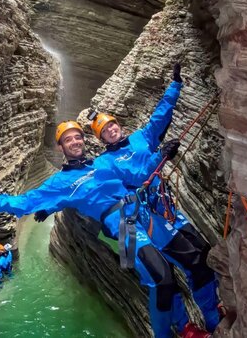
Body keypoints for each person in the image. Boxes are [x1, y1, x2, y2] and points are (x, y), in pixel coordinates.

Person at [0, 120, 207, 337]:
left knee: (188, 260)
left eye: (78, 137)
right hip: (120, 225)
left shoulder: (101, 163)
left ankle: (190, 325)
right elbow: (22, 204)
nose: (75, 142)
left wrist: (161, 155)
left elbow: (138, 174)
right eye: (68, 140)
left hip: (142, 211)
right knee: (160, 277)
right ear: (60, 147)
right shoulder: (60, 183)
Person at [88, 63, 221, 335]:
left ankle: (211, 312)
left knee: (203, 256)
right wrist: (161, 156)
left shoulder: (140, 138)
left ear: (119, 125)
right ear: (101, 139)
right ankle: (185, 327)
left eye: (112, 124)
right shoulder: (105, 162)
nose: (111, 130)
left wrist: (175, 86)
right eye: (105, 130)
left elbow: (159, 118)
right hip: (147, 222)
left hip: (168, 212)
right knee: (170, 274)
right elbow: (136, 175)